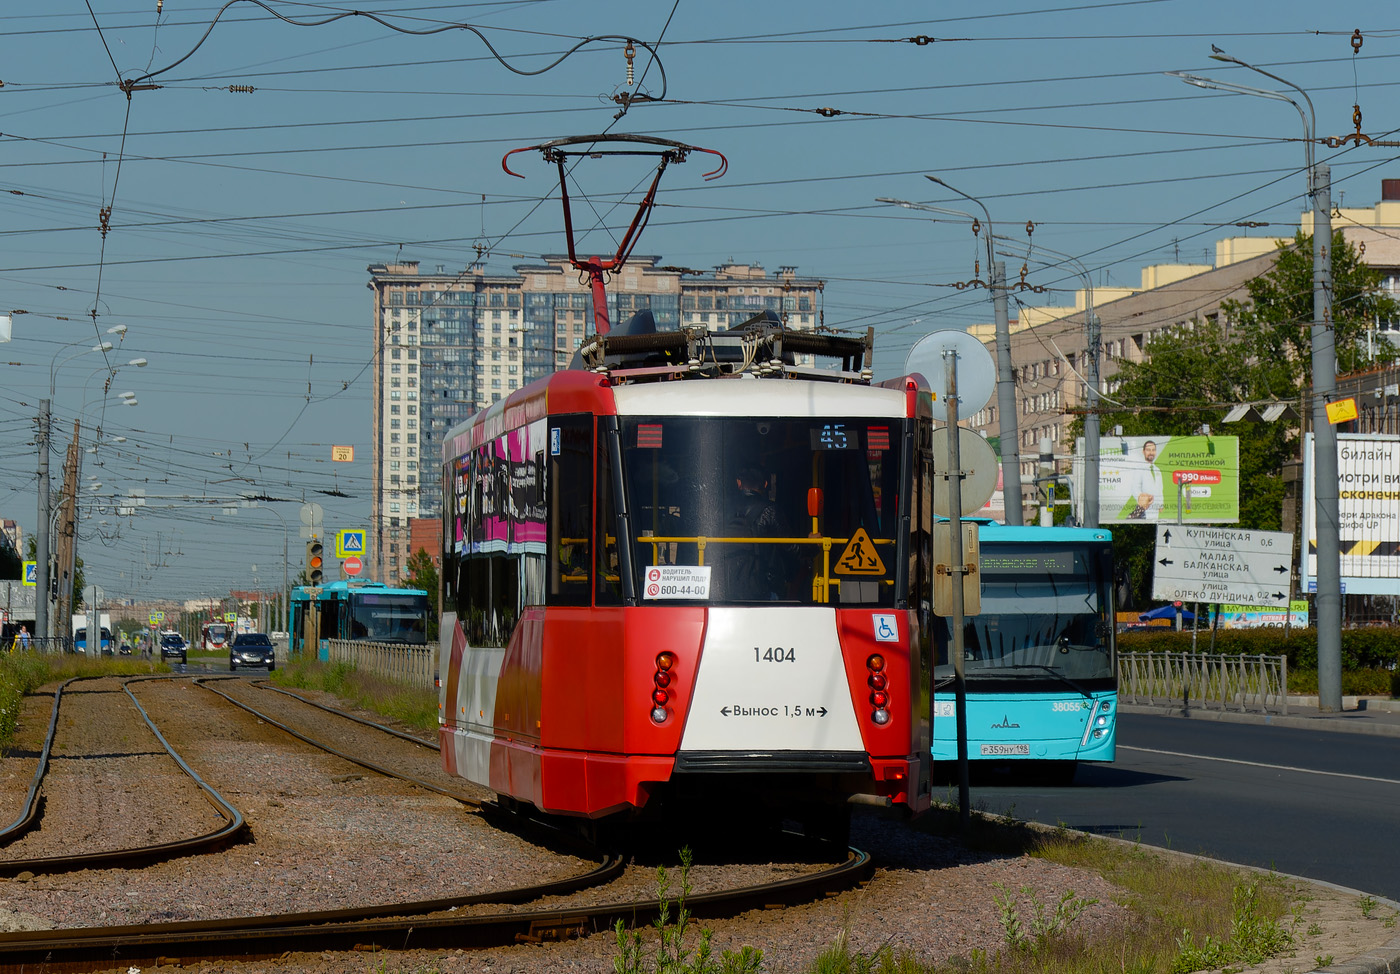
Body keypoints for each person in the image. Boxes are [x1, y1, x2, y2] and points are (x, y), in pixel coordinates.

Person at [727, 467, 786, 598]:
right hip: (762, 586)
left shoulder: (724, 509)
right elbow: (789, 547)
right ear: (765, 484)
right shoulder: (771, 510)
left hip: (726, 585)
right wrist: (812, 545)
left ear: (738, 483)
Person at [1127, 440, 1164, 520]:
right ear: (1143, 452)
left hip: (1155, 509)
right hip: (1144, 509)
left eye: (1153, 450)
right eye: (1148, 450)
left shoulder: (1157, 470)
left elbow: (1160, 489)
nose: (1151, 452)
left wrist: (1161, 504)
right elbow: (1135, 488)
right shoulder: (1139, 468)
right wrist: (1143, 500)